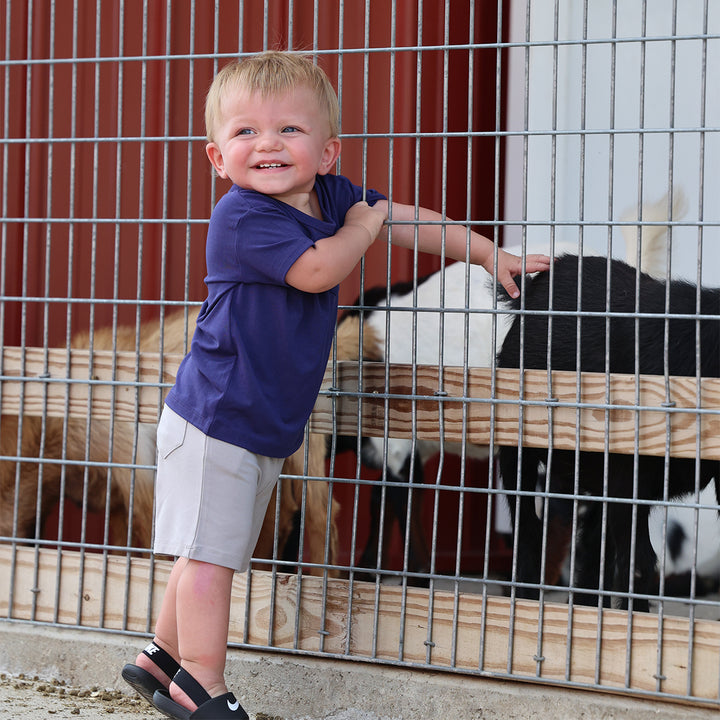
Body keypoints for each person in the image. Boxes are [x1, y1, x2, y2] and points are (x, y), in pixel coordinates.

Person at [121, 50, 551, 719]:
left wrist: (486, 252)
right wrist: (360, 225)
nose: (267, 143)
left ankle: (163, 657)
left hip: (255, 422)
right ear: (216, 158)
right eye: (245, 132)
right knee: (211, 558)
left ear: (327, 152)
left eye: (289, 129)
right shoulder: (243, 219)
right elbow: (319, 271)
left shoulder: (331, 197)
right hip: (217, 419)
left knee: (207, 545)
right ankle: (201, 684)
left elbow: (404, 220)